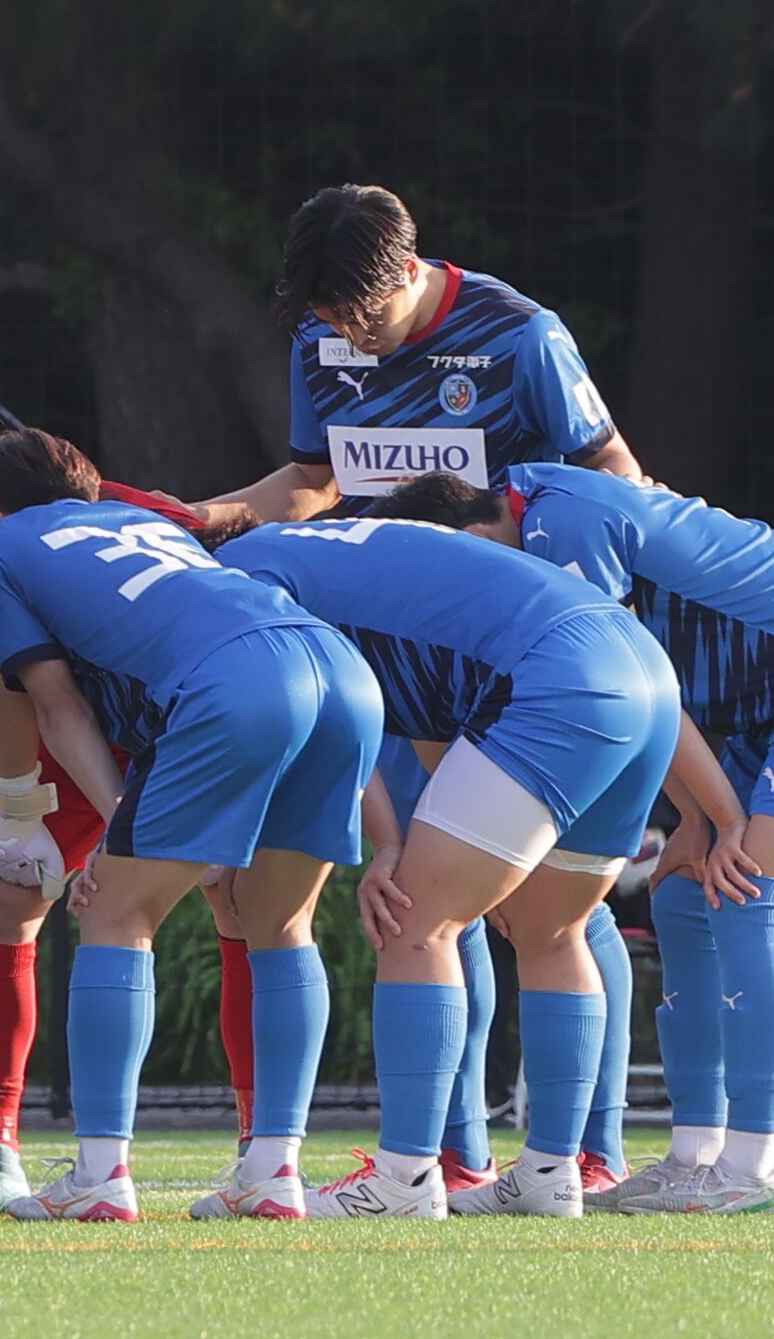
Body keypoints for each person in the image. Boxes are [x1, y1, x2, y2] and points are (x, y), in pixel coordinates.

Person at [385, 462, 774, 1216]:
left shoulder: (561, 522)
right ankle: (694, 1155)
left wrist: (719, 821)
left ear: (467, 534)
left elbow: (630, 672)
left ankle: (753, 1166)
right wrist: (694, 821)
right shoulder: (539, 521)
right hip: (773, 705)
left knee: (747, 894)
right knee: (680, 898)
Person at [211, 513, 723, 1217]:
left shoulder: (236, 577)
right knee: (553, 931)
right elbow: (437, 725)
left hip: (558, 673)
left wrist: (390, 849)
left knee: (413, 919)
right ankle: (550, 1170)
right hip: (640, 666)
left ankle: (404, 1177)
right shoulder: (319, 550)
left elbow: (330, 714)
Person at [0, 432, 376, 1224]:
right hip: (341, 673)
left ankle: (100, 1174)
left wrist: (119, 827)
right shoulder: (142, 517)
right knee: (281, 922)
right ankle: (272, 1171)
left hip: (234, 681)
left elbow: (57, 708)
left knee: (115, 911)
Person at [191, 185, 646, 534]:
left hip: (506, 589)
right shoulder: (314, 337)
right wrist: (194, 518)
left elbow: (608, 459)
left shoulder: (520, 334)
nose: (353, 338)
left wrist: (585, 534)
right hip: (382, 592)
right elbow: (315, 481)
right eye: (335, 323)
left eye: (367, 318)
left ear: (409, 270)